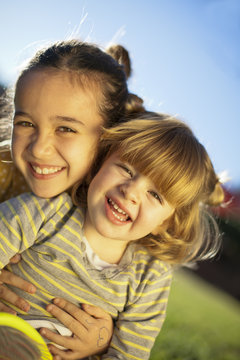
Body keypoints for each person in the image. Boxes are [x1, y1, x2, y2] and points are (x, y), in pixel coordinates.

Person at [0, 112, 224, 359]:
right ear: (101, 163)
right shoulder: (47, 211)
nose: (131, 192)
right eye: (126, 169)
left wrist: (102, 345)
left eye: (156, 195)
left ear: (165, 222)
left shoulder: (150, 277)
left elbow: (128, 355)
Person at [0, 39, 135, 358]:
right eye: (26, 123)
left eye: (66, 129)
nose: (38, 148)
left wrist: (103, 340)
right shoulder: (4, 168)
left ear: (107, 140)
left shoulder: (122, 213)